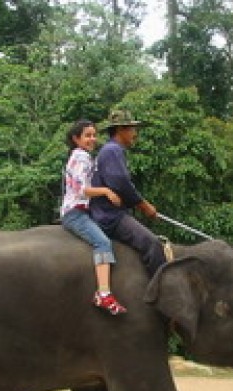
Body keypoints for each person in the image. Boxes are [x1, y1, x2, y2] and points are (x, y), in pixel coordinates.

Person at [61, 119, 127, 315]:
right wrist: (106, 191)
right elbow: (82, 190)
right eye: (87, 135)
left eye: (94, 135)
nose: (93, 139)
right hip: (76, 214)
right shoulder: (80, 157)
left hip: (82, 212)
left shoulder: (82, 156)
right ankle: (104, 294)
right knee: (103, 243)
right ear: (76, 138)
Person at [89, 109, 166, 277]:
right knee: (152, 244)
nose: (135, 134)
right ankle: (161, 289)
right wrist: (144, 206)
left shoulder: (111, 151)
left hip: (108, 212)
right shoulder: (112, 151)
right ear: (120, 130)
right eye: (131, 129)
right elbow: (121, 183)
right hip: (110, 216)